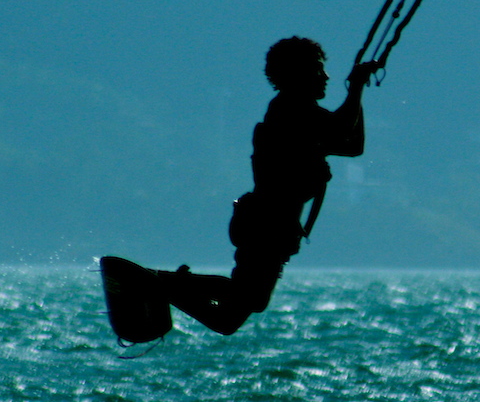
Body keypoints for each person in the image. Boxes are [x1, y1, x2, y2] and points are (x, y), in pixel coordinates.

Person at [156, 36, 382, 335]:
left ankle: (167, 286)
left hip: (273, 226)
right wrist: (354, 88)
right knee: (249, 298)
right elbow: (342, 127)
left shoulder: (301, 114)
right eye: (318, 70)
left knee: (228, 320)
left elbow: (352, 145)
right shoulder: (291, 110)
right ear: (296, 73)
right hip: (266, 224)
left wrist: (358, 91)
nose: (326, 77)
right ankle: (164, 282)